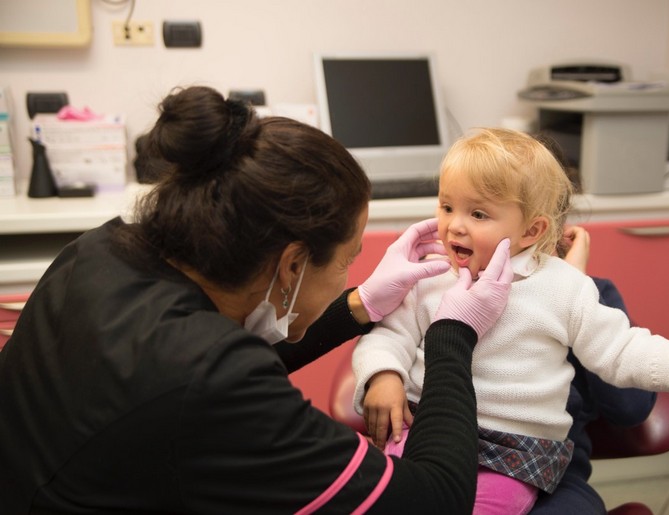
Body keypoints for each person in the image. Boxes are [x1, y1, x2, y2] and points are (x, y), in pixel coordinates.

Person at [0, 86, 516, 514]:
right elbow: (438, 502)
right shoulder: (215, 380)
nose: (348, 276)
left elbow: (189, 377)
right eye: (346, 261)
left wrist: (361, 304)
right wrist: (454, 332)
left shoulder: (97, 253)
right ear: (292, 265)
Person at [351, 128, 669, 514]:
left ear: (532, 230)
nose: (454, 224)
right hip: (426, 426)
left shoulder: (566, 288)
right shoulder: (428, 275)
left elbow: (621, 350)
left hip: (515, 450)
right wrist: (383, 374)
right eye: (446, 206)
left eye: (478, 214)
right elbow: (389, 335)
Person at [532, 225, 657, 515]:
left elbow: (631, 408)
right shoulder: (458, 295)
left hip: (556, 481)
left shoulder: (594, 295)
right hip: (460, 470)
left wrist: (573, 291)